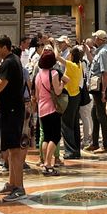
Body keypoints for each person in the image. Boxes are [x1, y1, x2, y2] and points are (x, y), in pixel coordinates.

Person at [0, 35, 27, 202]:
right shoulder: (13, 60)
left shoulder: (8, 62)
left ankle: (19, 187)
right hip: (11, 109)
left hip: (12, 109)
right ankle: (12, 183)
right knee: (11, 150)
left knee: (14, 150)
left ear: (5, 47)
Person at [33, 48, 64, 176]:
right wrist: (62, 84)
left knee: (46, 136)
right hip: (52, 108)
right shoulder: (54, 74)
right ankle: (48, 163)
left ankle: (45, 162)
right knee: (55, 136)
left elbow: (37, 95)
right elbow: (57, 91)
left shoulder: (38, 75)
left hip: (42, 108)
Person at [88, 30, 107, 154]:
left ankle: (106, 145)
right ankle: (94, 142)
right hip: (98, 87)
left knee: (101, 115)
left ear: (100, 39)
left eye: (95, 37)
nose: (93, 39)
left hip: (100, 87)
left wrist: (103, 91)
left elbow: (105, 73)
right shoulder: (103, 50)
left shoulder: (103, 52)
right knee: (94, 113)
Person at [61, 45, 83, 159]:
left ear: (72, 55)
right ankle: (76, 150)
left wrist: (54, 45)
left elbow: (56, 57)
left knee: (66, 125)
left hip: (70, 97)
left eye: (69, 54)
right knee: (74, 124)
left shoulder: (71, 65)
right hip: (76, 96)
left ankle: (70, 151)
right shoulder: (80, 65)